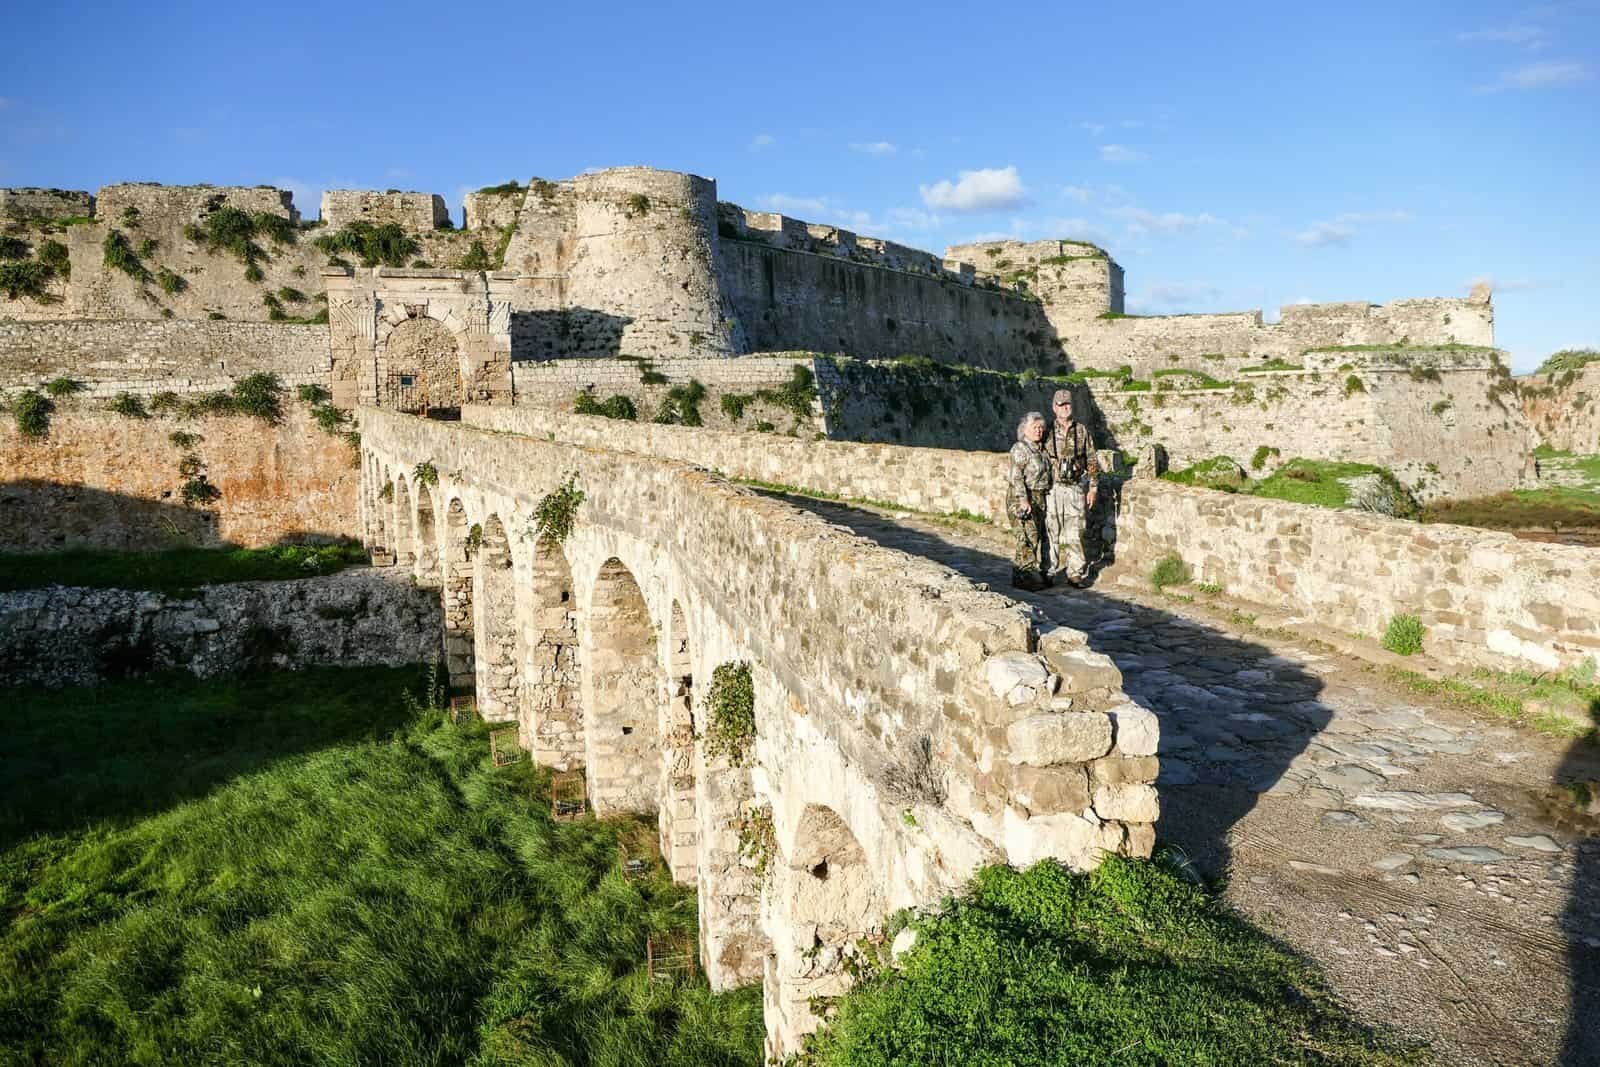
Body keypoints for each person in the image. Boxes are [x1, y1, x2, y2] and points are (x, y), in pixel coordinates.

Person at [1043, 388, 1101, 586]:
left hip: (1075, 487)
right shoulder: (1047, 431)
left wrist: (1093, 487)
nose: (1064, 408)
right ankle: (1049, 570)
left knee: (1076, 531)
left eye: (1067, 404)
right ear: (1054, 407)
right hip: (1053, 488)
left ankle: (1075, 572)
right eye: (1060, 405)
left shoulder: (1081, 430)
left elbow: (1092, 459)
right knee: (1052, 529)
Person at [1007, 411, 1052, 591]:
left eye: (1041, 427)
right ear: (1024, 429)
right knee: (1027, 536)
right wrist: (1023, 500)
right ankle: (1023, 576)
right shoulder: (1020, 448)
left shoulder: (1041, 449)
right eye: (1035, 427)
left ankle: (1029, 574)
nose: (1039, 431)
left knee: (1037, 536)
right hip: (1022, 497)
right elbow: (1016, 477)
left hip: (1039, 497)